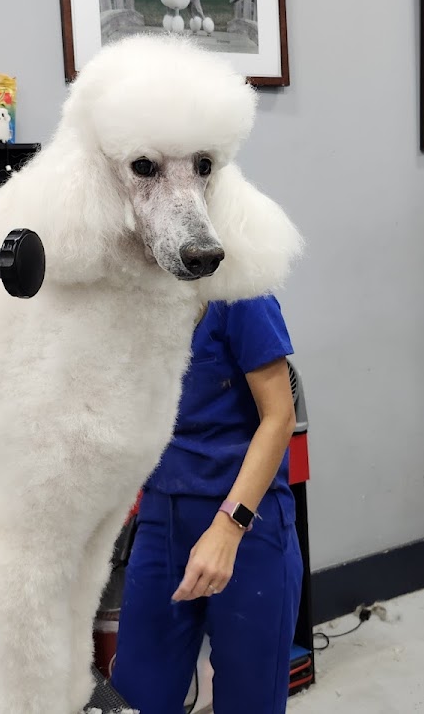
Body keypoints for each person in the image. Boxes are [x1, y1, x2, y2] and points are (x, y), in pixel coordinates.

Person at [111, 293, 302, 714]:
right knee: (136, 695)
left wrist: (229, 527)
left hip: (248, 523)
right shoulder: (141, 296)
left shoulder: (243, 296)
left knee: (249, 701)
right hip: (162, 518)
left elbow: (280, 416)